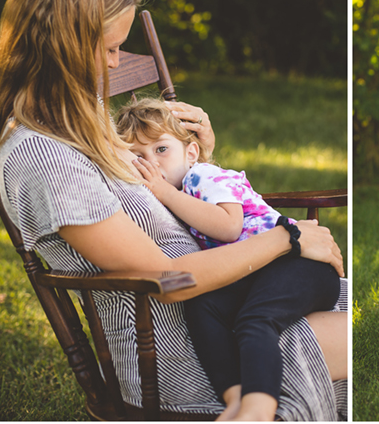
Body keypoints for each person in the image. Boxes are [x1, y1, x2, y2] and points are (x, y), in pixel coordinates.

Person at [0, 0, 347, 419]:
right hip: (185, 350)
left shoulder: (78, 127)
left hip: (224, 304)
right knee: (361, 334)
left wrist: (202, 166)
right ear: (65, 44)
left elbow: (159, 202)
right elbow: (168, 280)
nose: (118, 65)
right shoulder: (45, 156)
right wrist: (288, 237)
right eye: (111, 48)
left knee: (357, 312)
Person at [116, 98, 341, 422]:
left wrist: (164, 193)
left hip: (301, 262)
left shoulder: (202, 177)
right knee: (202, 306)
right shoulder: (180, 190)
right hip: (261, 271)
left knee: (255, 320)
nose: (152, 164)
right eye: (139, 156)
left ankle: (259, 408)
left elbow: (228, 226)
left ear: (190, 153)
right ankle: (234, 398)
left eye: (161, 150)